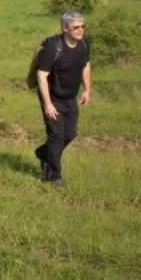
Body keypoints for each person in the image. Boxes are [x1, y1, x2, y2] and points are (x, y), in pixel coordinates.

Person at [33, 11, 92, 187]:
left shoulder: (84, 44)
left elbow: (86, 66)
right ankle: (53, 176)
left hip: (70, 97)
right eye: (76, 27)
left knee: (70, 134)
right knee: (57, 136)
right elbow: (41, 75)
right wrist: (48, 104)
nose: (80, 30)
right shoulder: (53, 47)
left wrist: (87, 90)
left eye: (83, 26)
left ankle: (44, 153)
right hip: (53, 97)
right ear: (65, 28)